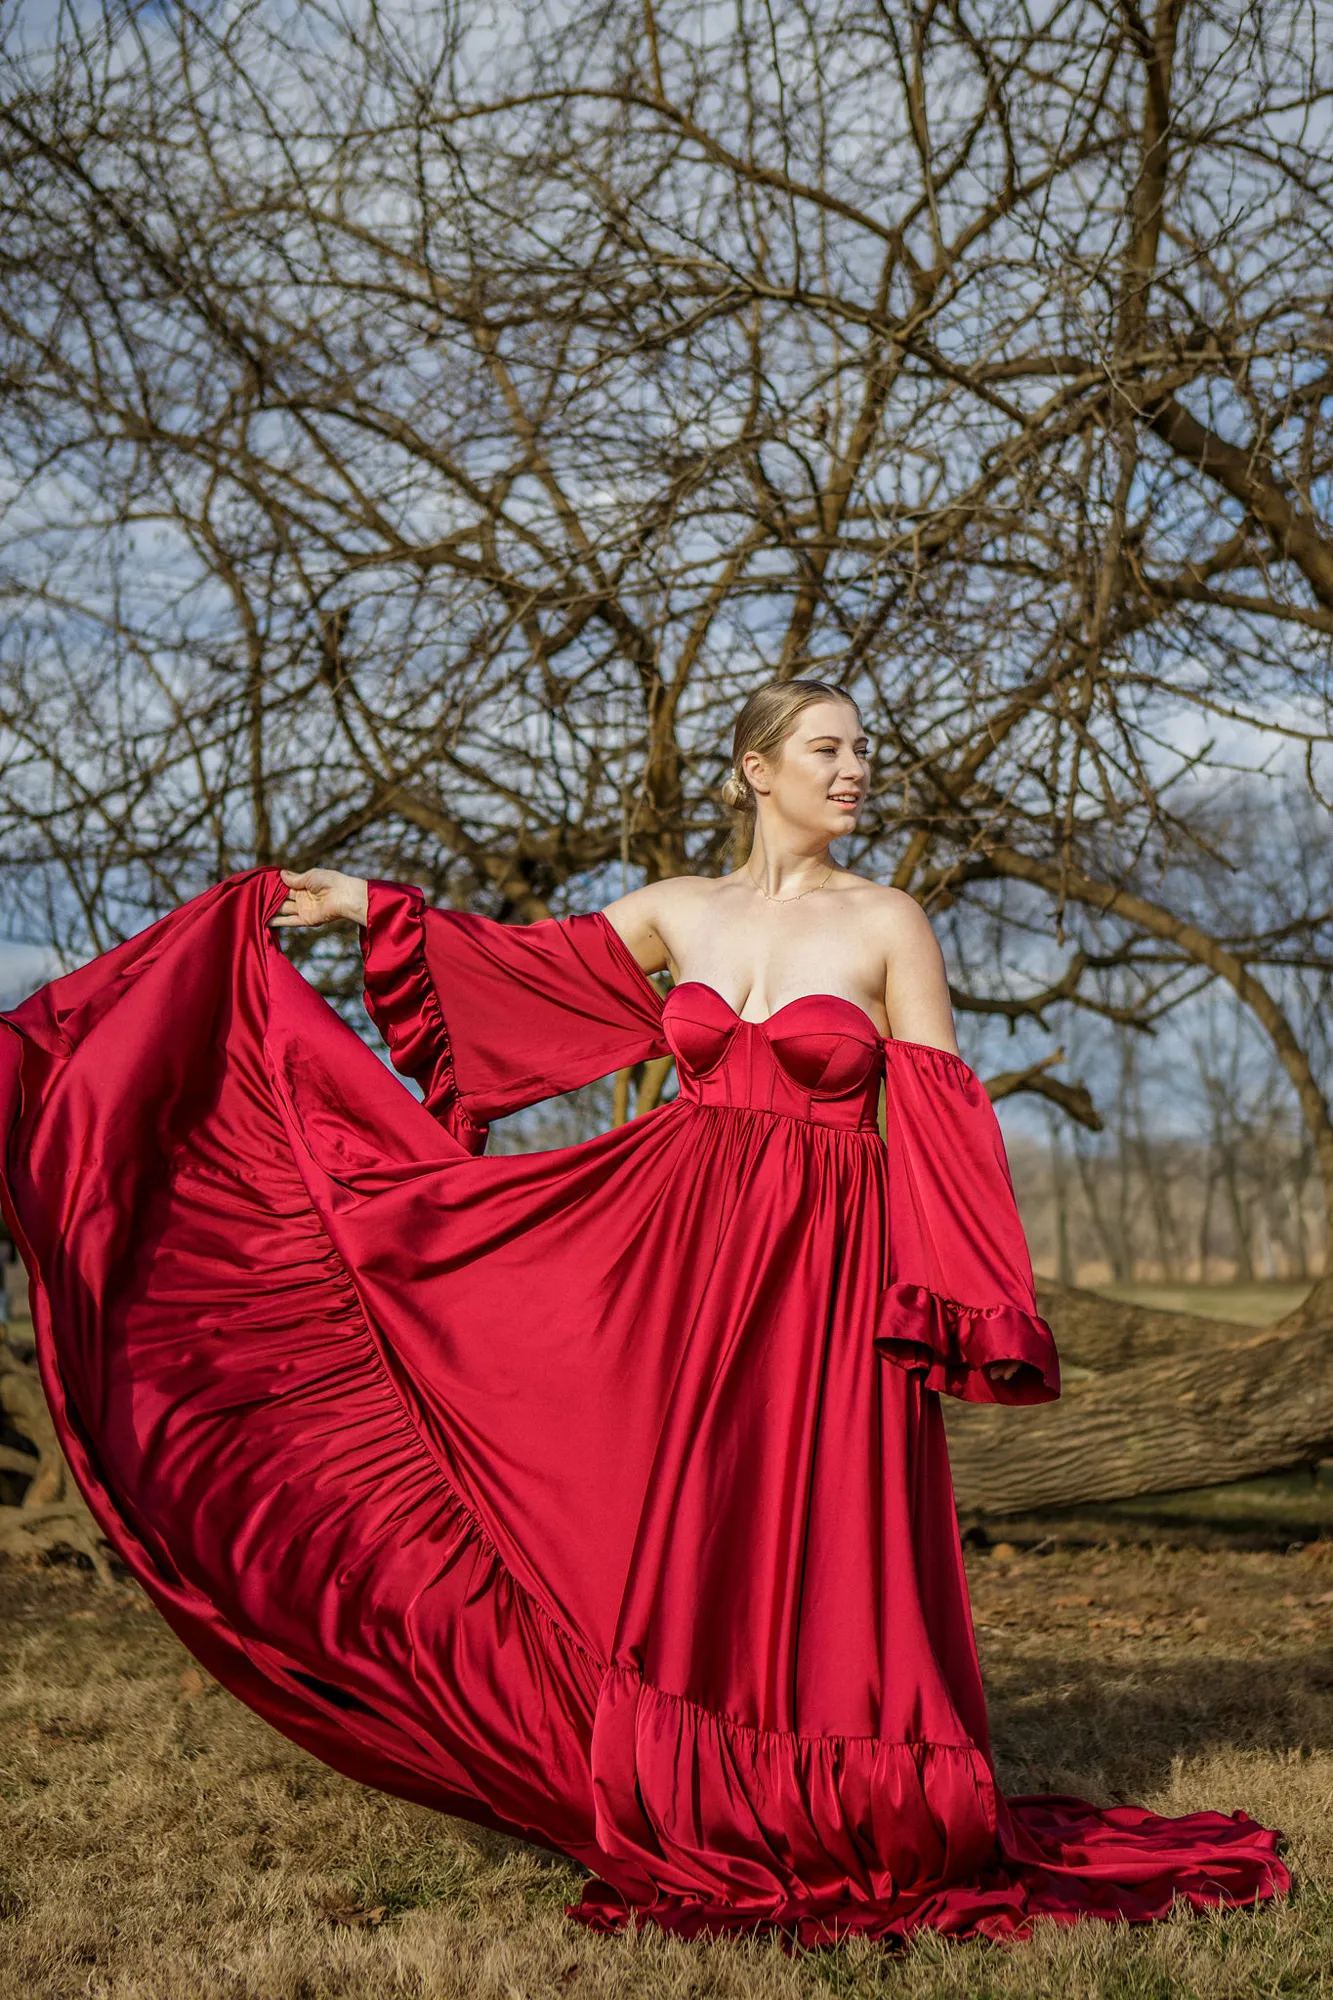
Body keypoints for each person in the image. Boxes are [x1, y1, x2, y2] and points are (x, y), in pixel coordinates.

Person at [0, 680, 1285, 1945]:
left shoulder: (889, 921)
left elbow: (941, 1117)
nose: (854, 772)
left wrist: (955, 1296)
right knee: (684, 1510)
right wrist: (361, 908)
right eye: (826, 749)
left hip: (828, 1266)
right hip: (676, 1257)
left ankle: (846, 1792)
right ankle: (693, 1787)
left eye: (861, 752)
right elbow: (516, 979)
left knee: (823, 1515)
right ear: (755, 768)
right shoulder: (679, 910)